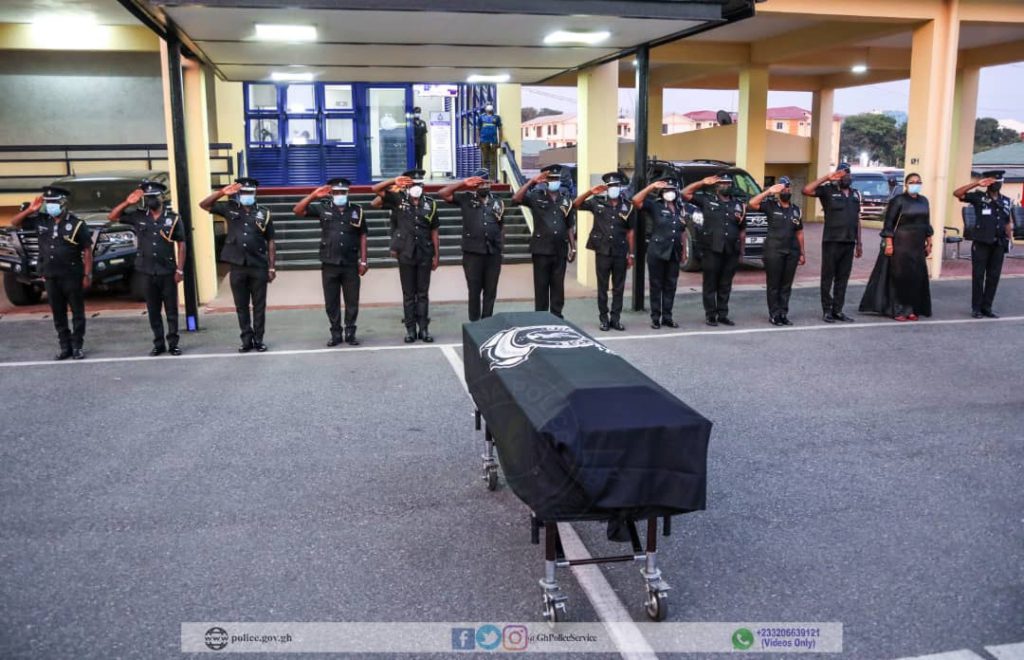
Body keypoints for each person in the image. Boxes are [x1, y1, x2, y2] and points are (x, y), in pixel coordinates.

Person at [9, 186, 92, 359]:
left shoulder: (76, 224)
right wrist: (31, 210)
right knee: (58, 312)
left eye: (53, 202)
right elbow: (15, 222)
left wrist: (87, 274)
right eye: (48, 203)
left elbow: (87, 250)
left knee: (77, 312)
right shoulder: (41, 220)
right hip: (50, 275)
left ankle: (77, 346)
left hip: (72, 274)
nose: (50, 206)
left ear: (63, 203)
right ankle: (65, 347)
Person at [108, 181, 186, 355]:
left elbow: (182, 244)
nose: (151, 200)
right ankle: (158, 344)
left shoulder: (173, 218)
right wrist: (127, 202)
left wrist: (180, 269)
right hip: (147, 270)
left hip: (167, 270)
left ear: (162, 198)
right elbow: (112, 217)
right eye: (148, 197)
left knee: (171, 311)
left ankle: (173, 343)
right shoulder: (139, 216)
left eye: (154, 197)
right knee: (153, 310)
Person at [199, 177, 276, 352]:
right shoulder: (229, 208)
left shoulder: (264, 213)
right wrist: (221, 193)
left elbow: (271, 240)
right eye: (244, 192)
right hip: (237, 265)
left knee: (259, 306)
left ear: (255, 193)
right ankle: (246, 340)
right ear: (239, 193)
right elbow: (203, 205)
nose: (247, 195)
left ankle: (259, 340)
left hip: (258, 265)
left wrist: (272, 267)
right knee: (241, 306)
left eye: (250, 192)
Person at [293, 177, 369, 346]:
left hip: (350, 263)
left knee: (352, 301)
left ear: (348, 193)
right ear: (331, 193)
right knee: (331, 302)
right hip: (329, 263)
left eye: (343, 192)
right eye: (336, 192)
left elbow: (363, 235)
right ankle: (336, 333)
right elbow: (297, 210)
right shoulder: (323, 207)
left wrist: (363, 261)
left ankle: (350, 332)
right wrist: (313, 195)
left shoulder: (357, 210)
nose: (340, 194)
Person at [372, 168, 439, 342]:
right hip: (406, 253)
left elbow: (434, 231)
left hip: (425, 252)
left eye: (419, 183)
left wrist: (436, 255)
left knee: (423, 293)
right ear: (407, 186)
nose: (417, 187)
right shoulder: (398, 200)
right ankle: (410, 330)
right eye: (413, 184)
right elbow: (376, 190)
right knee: (409, 294)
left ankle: (423, 329)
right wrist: (394, 181)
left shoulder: (430, 204)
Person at [860, 173, 933, 321]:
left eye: (918, 182)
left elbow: (926, 223)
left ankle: (911, 309)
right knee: (899, 277)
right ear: (906, 184)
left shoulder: (924, 201)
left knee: (915, 277)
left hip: (917, 244)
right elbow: (888, 224)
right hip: (901, 244)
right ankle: (898, 309)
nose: (915, 184)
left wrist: (929, 241)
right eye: (912, 182)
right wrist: (889, 243)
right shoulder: (898, 200)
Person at [682, 173, 747, 326]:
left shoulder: (739, 205)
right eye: (723, 183)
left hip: (731, 250)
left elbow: (742, 230)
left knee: (725, 284)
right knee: (710, 283)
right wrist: (702, 182)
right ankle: (711, 315)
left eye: (729, 183)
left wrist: (742, 251)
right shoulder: (707, 200)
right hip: (711, 249)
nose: (726, 186)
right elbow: (685, 194)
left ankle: (723, 314)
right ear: (716, 187)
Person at [439, 168, 504, 322]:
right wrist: (463, 183)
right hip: (473, 253)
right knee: (474, 291)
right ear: (474, 185)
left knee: (490, 291)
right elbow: (442, 194)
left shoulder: (497, 201)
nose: (484, 186)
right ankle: (475, 323)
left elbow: (501, 225)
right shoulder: (466, 199)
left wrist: (501, 247)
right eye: (480, 183)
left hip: (493, 253)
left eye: (486, 183)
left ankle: (487, 321)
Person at [512, 164, 576, 318]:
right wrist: (532, 182)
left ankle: (556, 315)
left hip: (560, 249)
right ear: (545, 181)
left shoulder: (566, 200)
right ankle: (541, 316)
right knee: (541, 285)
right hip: (541, 250)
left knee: (558, 285)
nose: (555, 181)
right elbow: (516, 199)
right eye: (551, 179)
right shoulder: (535, 196)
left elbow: (569, 226)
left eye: (557, 179)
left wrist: (573, 248)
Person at [803, 163, 863, 323]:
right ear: (836, 177)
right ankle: (827, 310)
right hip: (831, 241)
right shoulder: (827, 190)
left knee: (843, 278)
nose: (845, 177)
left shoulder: (855, 194)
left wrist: (859, 243)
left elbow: (857, 220)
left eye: (847, 174)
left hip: (849, 242)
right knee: (827, 277)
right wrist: (826, 178)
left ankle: (838, 310)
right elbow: (806, 190)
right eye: (841, 174)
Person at [576, 171, 635, 331]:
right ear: (606, 188)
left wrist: (631, 254)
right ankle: (604, 319)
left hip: (620, 252)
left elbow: (630, 232)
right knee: (602, 288)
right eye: (610, 186)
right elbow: (576, 204)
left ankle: (615, 319)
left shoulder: (628, 206)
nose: (613, 188)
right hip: (602, 251)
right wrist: (590, 192)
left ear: (620, 187)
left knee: (619, 288)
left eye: (616, 185)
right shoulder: (597, 202)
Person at [953, 170, 1015, 318]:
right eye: (993, 182)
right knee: (979, 276)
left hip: (999, 243)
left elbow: (1007, 221)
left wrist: (1010, 238)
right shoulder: (979, 197)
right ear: (988, 183)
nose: (996, 185)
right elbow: (957, 193)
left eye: (999, 183)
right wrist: (976, 183)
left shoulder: (1006, 201)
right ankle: (976, 308)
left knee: (994, 277)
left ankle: (987, 307)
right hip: (982, 242)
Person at [748, 177, 805, 325]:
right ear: (778, 191)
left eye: (787, 188)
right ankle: (774, 314)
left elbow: (799, 232)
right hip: (773, 251)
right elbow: (752, 203)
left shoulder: (796, 210)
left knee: (786, 285)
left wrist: (802, 252)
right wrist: (768, 191)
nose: (786, 191)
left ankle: (783, 313)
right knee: (774, 285)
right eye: (783, 189)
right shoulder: (770, 206)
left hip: (792, 251)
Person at [632, 177, 684, 329]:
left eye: (672, 190)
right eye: (667, 190)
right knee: (656, 285)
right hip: (657, 251)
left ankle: (667, 317)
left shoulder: (680, 208)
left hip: (674, 251)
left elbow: (682, 230)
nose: (670, 193)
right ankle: (656, 317)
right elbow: (636, 201)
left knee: (671, 285)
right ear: (661, 193)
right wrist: (651, 187)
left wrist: (684, 251)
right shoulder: (655, 206)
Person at [478, 103, 502, 181]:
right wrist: (478, 140)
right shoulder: (481, 117)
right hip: (483, 141)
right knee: (484, 160)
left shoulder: (497, 118)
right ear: (485, 109)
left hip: (493, 141)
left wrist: (500, 141)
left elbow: (500, 129)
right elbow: (478, 129)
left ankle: (492, 179)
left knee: (493, 161)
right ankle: (484, 178)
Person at [412, 107, 428, 172]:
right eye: (416, 112)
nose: (417, 114)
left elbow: (424, 135)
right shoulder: (410, 122)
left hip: (421, 145)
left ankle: (420, 174)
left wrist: (425, 149)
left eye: (419, 112)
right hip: (413, 145)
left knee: (420, 161)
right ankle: (412, 174)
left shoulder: (423, 122)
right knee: (413, 161)